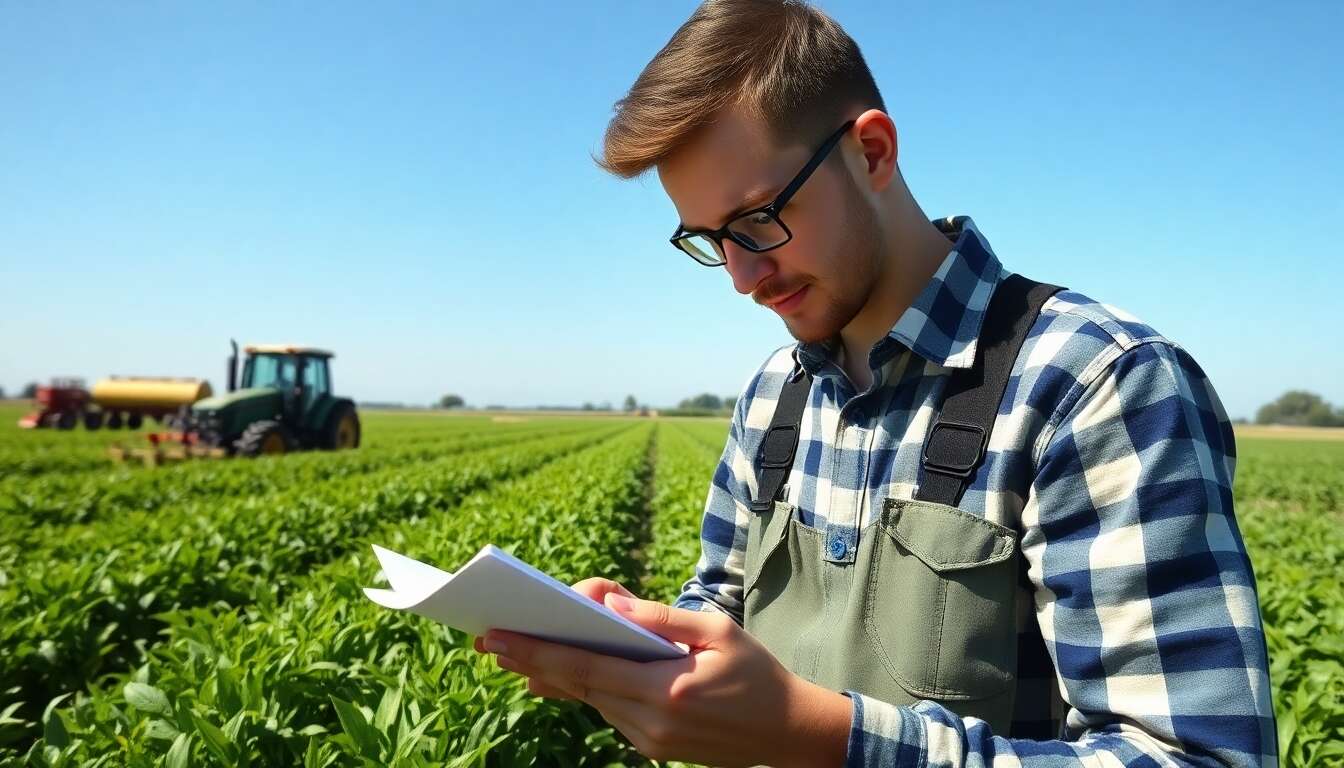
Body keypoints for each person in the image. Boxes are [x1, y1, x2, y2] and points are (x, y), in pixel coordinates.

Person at [474, 1, 1277, 765]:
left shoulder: (1094, 383)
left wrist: (817, 735)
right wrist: (640, 645)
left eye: (759, 219)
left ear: (873, 152)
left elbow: (1198, 755)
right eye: (712, 240)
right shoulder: (772, 395)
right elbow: (725, 598)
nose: (744, 277)